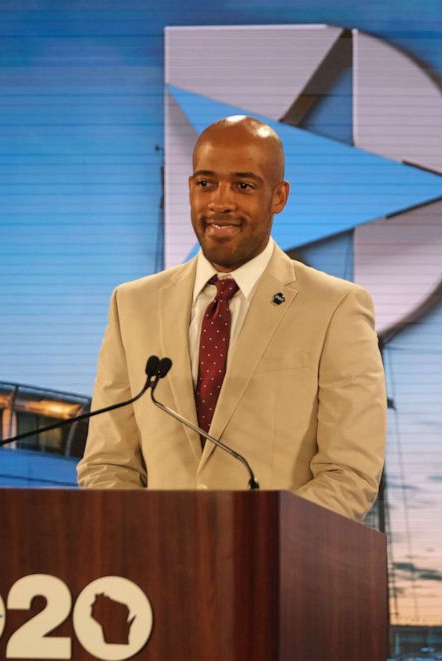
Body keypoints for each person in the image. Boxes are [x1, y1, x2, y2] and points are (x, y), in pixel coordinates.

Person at [76, 115, 386, 520]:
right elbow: (107, 465)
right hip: (154, 568)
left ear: (278, 197)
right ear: (190, 189)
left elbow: (349, 475)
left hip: (273, 567)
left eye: (243, 185)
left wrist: (249, 541)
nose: (220, 202)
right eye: (206, 183)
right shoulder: (132, 304)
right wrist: (150, 541)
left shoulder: (336, 309)